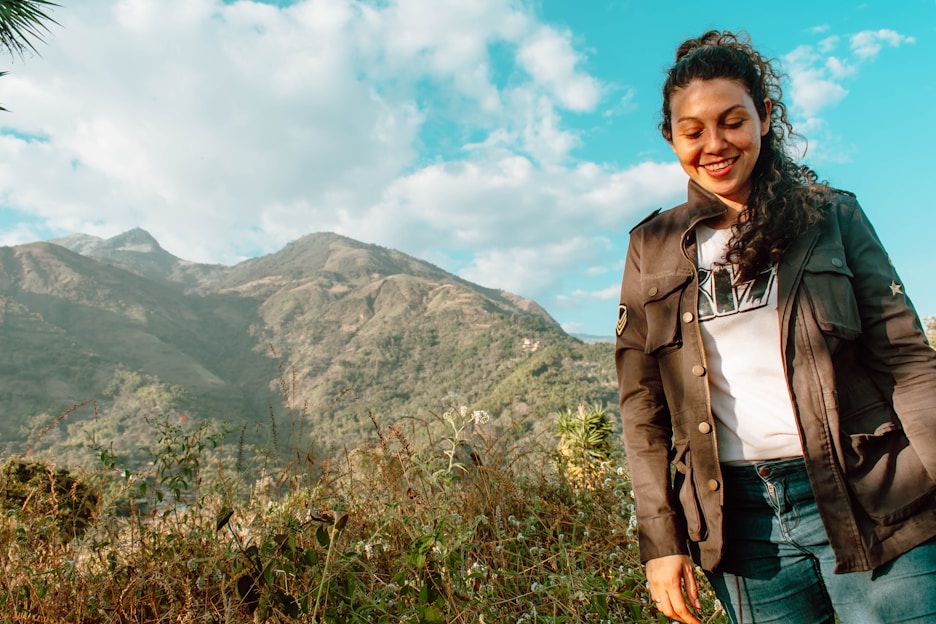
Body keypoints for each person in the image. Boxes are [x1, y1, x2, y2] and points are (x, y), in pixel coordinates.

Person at [614, 30, 936, 624]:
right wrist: (661, 542)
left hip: (873, 494)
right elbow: (642, 403)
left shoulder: (831, 215)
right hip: (740, 529)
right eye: (692, 132)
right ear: (672, 140)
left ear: (763, 116)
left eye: (732, 121)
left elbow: (909, 362)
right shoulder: (650, 247)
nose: (715, 144)